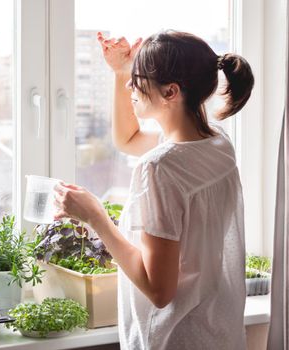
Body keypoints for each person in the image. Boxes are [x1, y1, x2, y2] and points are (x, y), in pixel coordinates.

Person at [53, 29, 254, 349]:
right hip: (218, 332)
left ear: (171, 91)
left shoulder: (161, 168)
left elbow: (159, 290)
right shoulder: (216, 142)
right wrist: (121, 73)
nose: (132, 86)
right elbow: (127, 139)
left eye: (137, 79)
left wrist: (96, 218)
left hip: (177, 338)